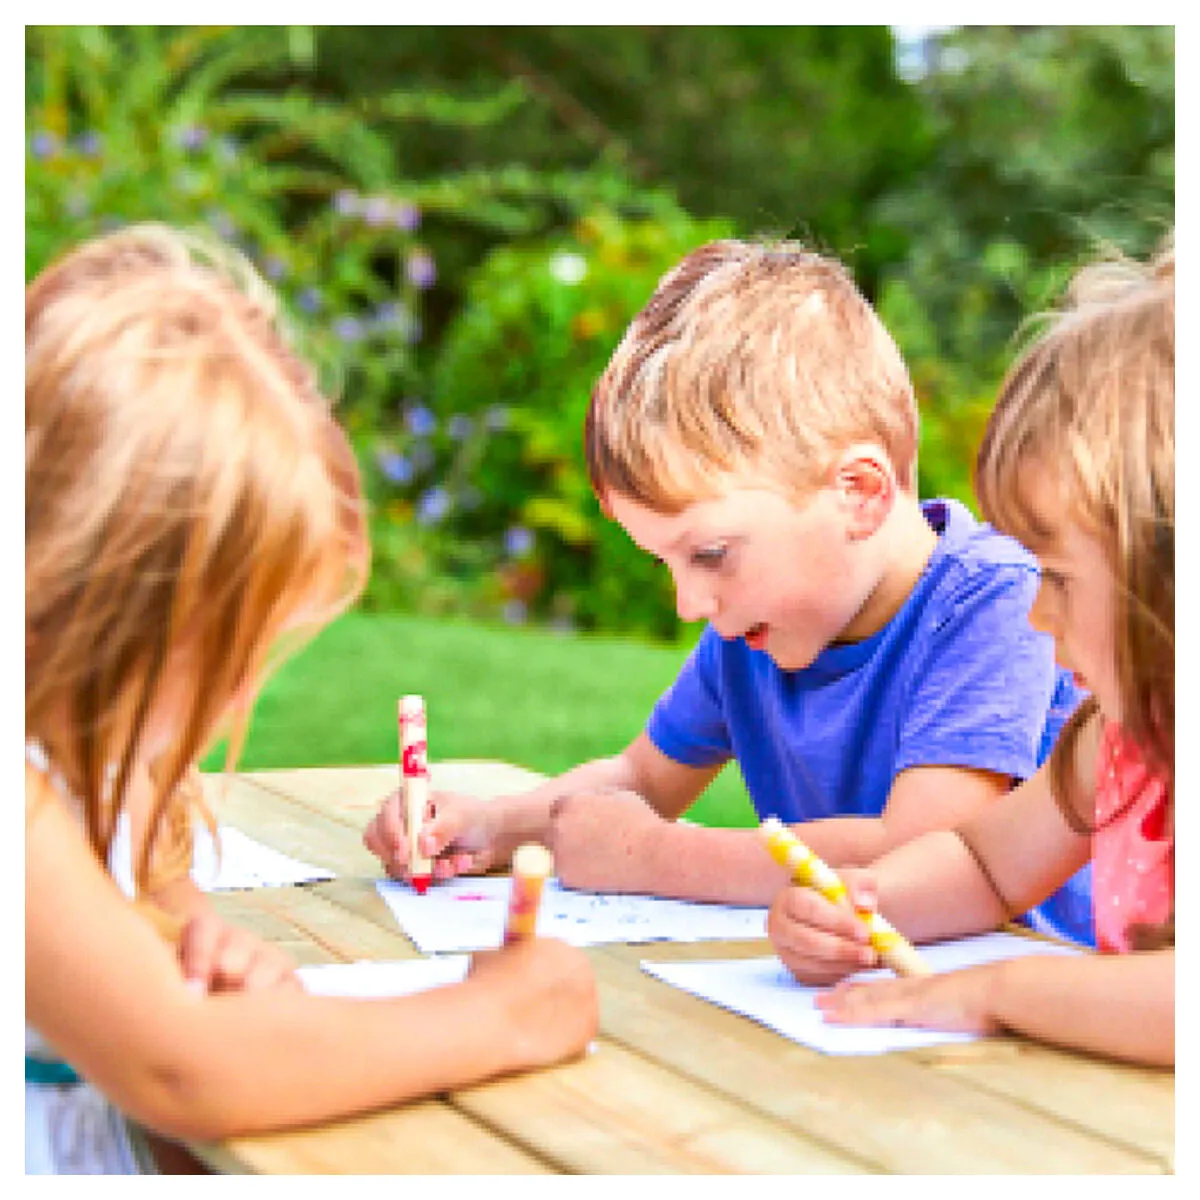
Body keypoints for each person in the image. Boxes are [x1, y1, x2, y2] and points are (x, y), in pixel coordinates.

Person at [25, 224, 597, 1174]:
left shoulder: (98, 770)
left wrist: (190, 943)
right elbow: (179, 1069)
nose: (243, 690)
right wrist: (497, 1014)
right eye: (231, 650)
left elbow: (132, 948)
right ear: (111, 603)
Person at [364, 239, 1092, 943]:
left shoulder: (995, 602)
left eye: (710, 554)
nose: (690, 603)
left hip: (1031, 1021)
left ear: (860, 494)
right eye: (667, 564)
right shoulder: (753, 633)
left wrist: (657, 860)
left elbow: (923, 846)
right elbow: (641, 780)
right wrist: (490, 827)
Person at [767, 239, 1174, 1067]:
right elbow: (986, 864)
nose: (1034, 614)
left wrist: (997, 993)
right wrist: (862, 905)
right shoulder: (1116, 746)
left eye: (1057, 578)